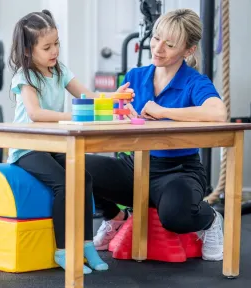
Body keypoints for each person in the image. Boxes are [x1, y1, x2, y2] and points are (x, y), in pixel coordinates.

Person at [91, 8, 227, 262]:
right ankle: (116, 217)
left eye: (170, 44)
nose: (157, 48)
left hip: (178, 170)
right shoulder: (135, 76)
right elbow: (119, 117)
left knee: (175, 217)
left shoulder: (194, 82)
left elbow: (218, 112)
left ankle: (210, 220)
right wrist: (115, 108)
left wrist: (163, 111)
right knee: (74, 166)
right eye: (156, 38)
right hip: (135, 167)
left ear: (188, 51)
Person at [6, 9, 134, 274]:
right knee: (64, 184)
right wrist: (72, 116)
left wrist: (113, 97)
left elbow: (87, 95)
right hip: (27, 148)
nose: (54, 51)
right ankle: (63, 250)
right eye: (47, 47)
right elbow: (35, 114)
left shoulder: (60, 70)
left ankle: (86, 246)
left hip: (52, 146)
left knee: (85, 178)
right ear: (29, 51)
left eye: (57, 44)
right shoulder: (25, 77)